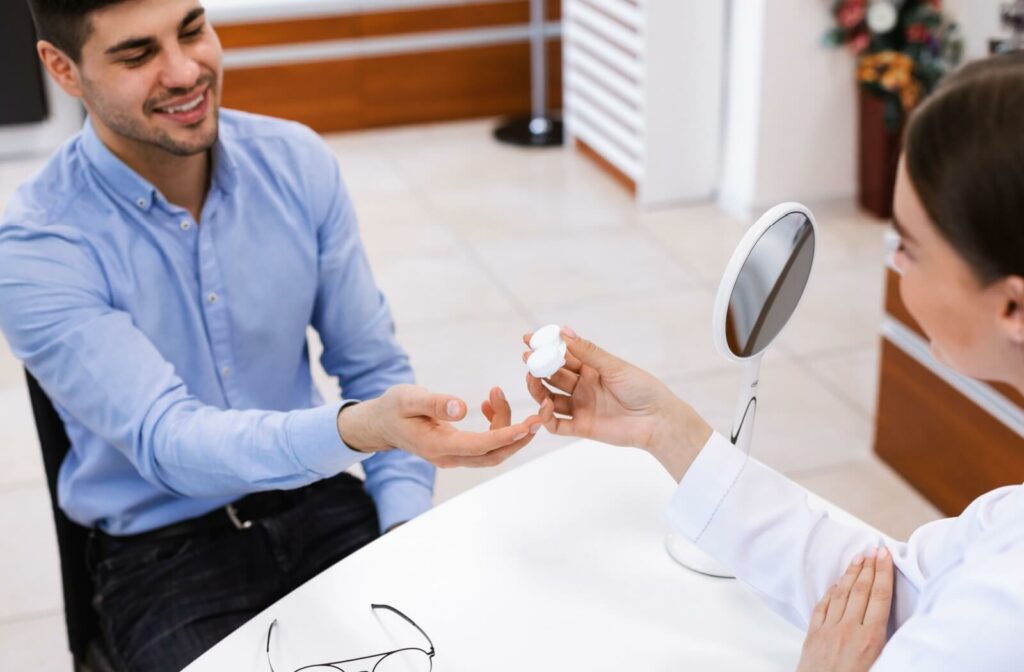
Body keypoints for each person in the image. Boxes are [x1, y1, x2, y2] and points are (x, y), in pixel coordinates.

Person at [0, 1, 551, 670]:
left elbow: (372, 365)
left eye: (193, 30)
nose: (184, 71)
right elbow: (169, 441)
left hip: (320, 501)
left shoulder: (295, 162)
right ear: (64, 68)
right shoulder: (39, 245)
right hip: (164, 557)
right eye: (137, 54)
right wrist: (358, 429)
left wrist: (406, 534)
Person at [522, 52, 1024, 671]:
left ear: (1012, 308)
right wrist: (665, 428)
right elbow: (886, 590)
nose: (893, 265)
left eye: (910, 248)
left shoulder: (1003, 615)